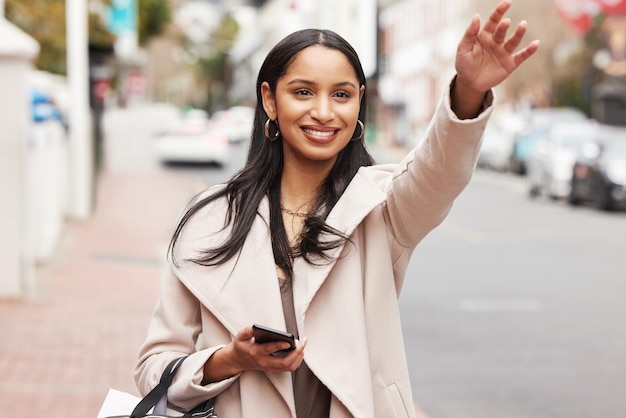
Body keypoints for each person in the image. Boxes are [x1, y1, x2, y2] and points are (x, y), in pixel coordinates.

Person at [134, 1, 539, 417]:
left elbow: (440, 172)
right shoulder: (211, 218)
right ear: (270, 100)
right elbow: (153, 371)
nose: (324, 112)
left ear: (359, 103)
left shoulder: (381, 207)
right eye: (303, 92)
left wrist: (469, 90)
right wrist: (231, 360)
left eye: (341, 95)